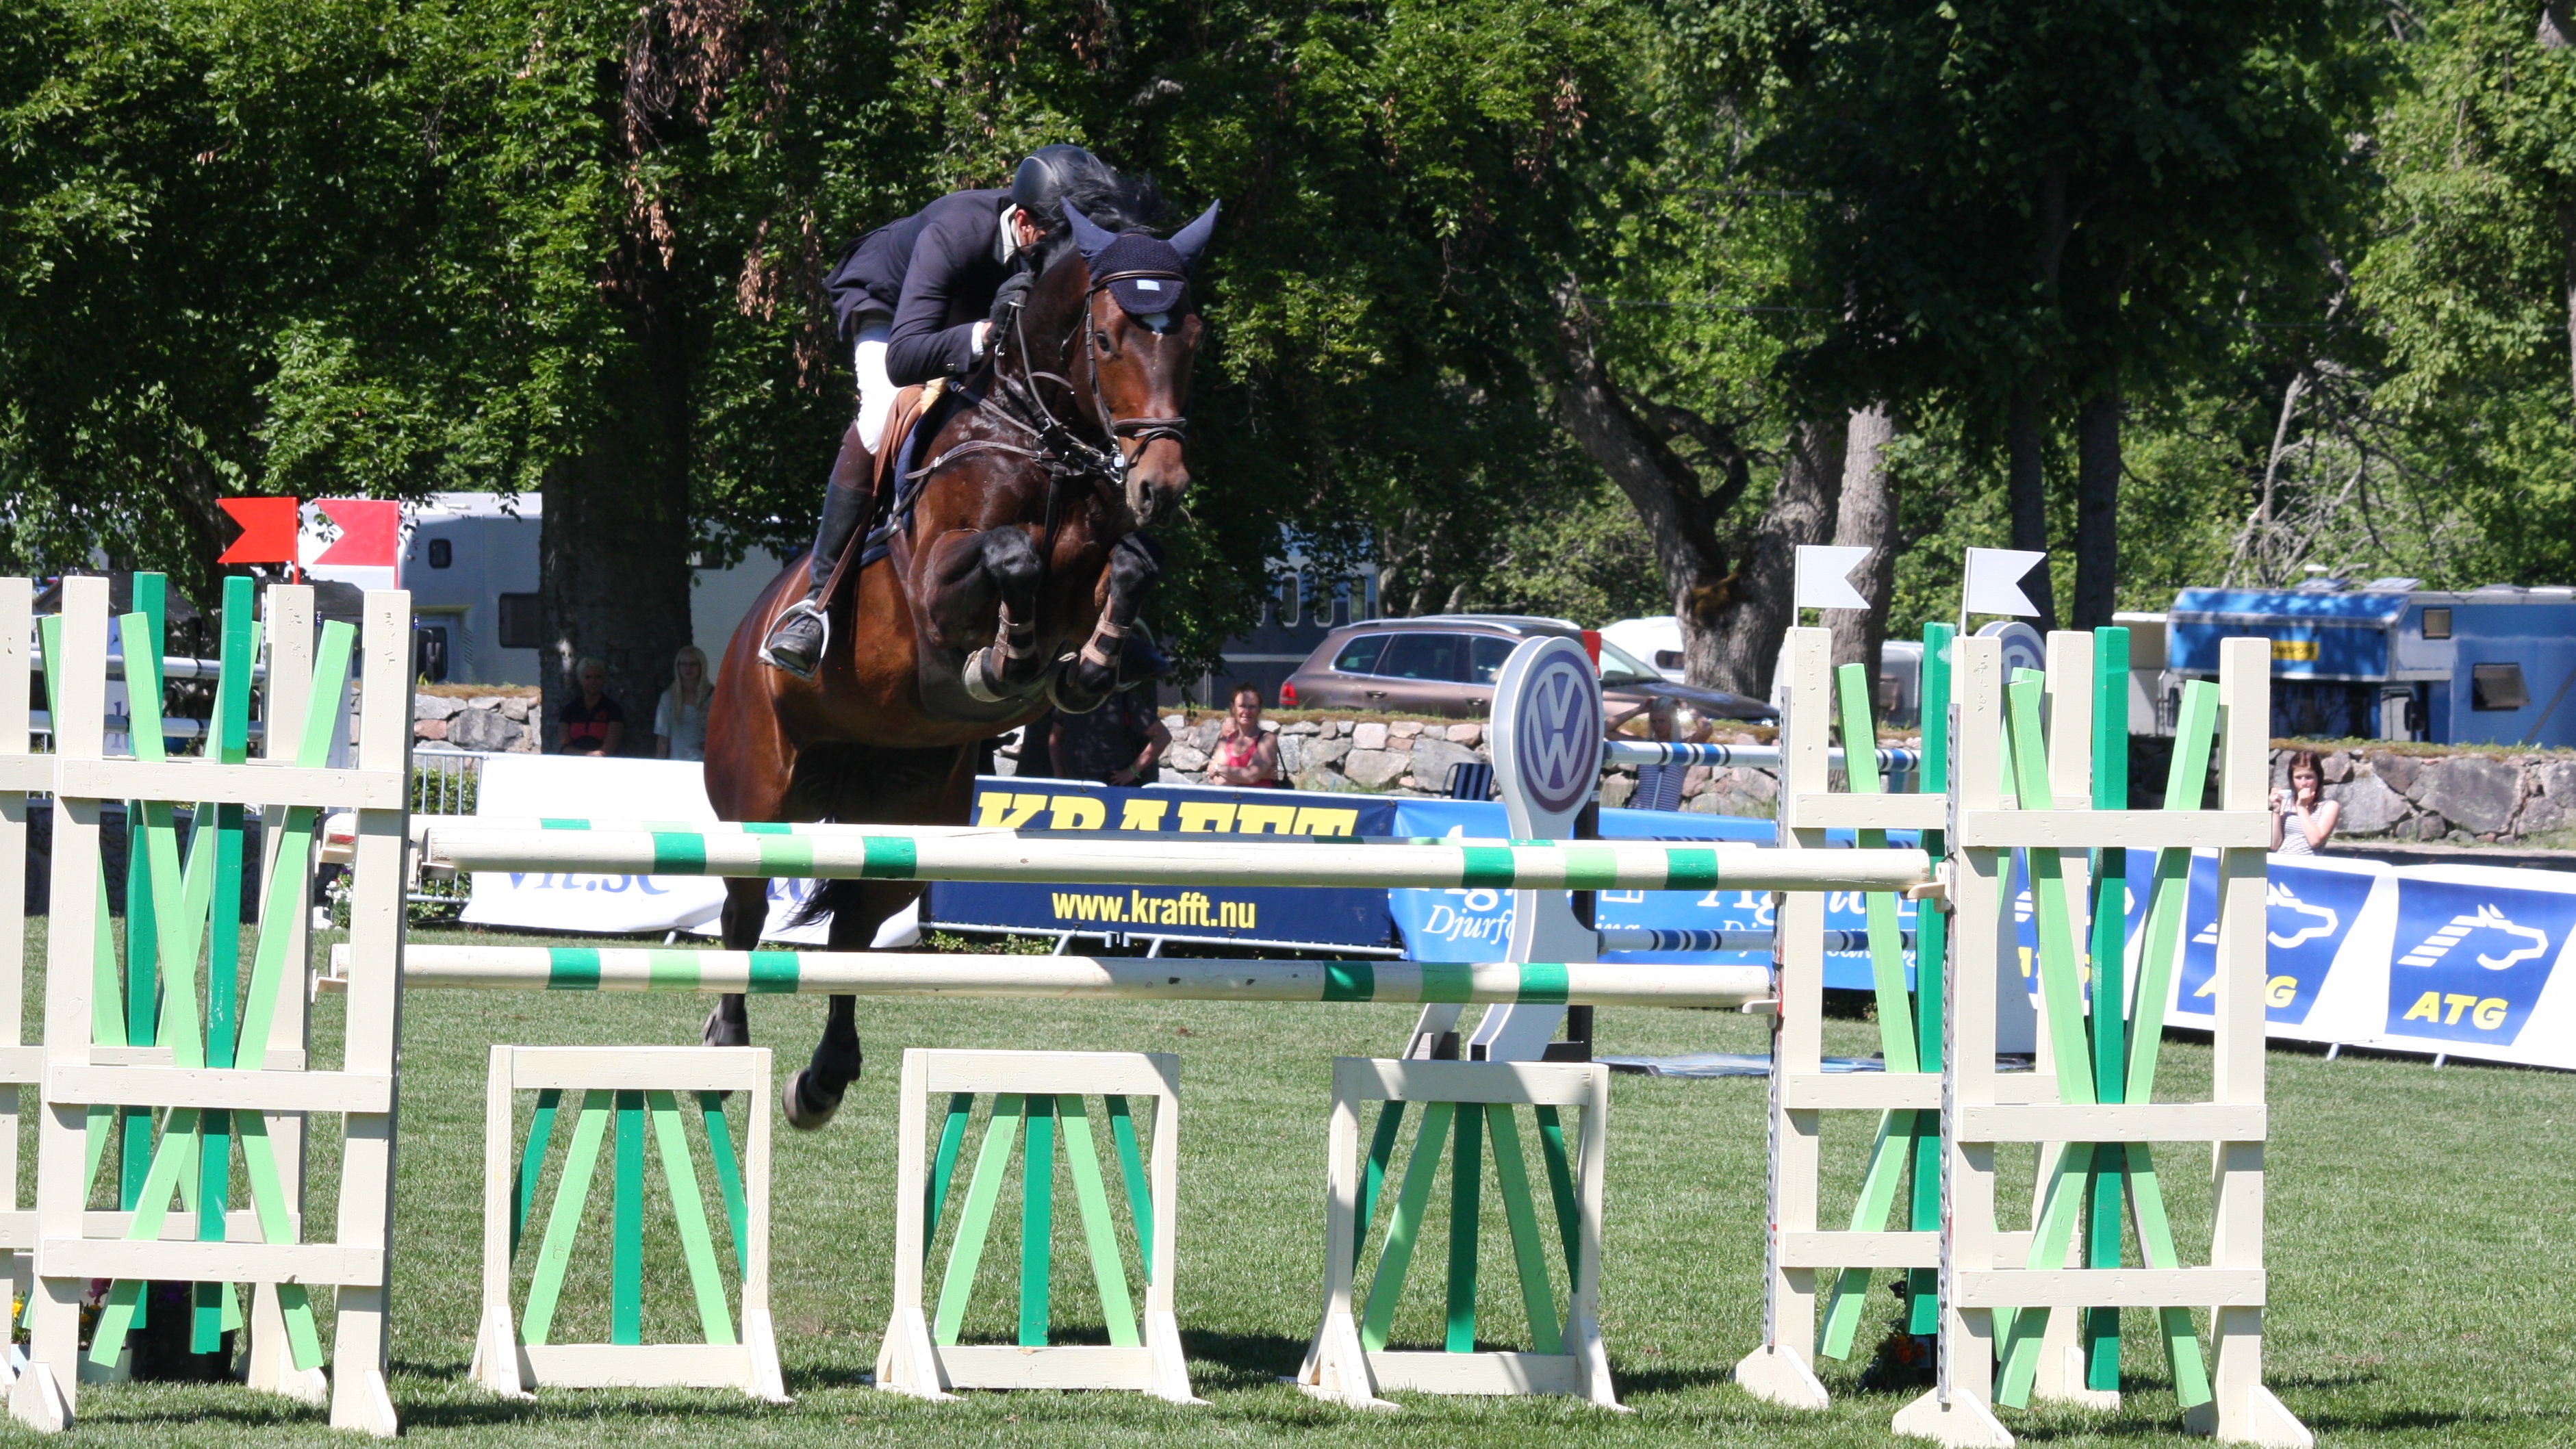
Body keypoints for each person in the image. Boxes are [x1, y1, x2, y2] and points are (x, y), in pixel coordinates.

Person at [762, 144, 1169, 678]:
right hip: (893, 310)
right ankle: (816, 604)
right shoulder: (956, 232)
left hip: (986, 309)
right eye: (1059, 241)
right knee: (880, 416)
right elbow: (906, 355)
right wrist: (982, 333)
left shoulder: (1046, 243)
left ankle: (1101, 603)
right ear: (1023, 222)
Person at [1047, 691, 1170, 786]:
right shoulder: (1071, 700)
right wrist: (1060, 776)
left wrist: (1132, 771)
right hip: (1074, 788)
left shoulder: (1124, 700)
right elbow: (1055, 739)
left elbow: (1163, 736)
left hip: (1115, 789)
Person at [1208, 684, 1281, 787]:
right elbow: (1219, 782)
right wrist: (1261, 775)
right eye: (1242, 706)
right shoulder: (1224, 742)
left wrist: (1217, 768)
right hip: (1230, 802)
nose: (1246, 712)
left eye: (1252, 707)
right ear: (1233, 708)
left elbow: (1251, 776)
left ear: (1259, 709)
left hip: (1260, 802)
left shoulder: (1268, 740)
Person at [2271, 749, 2340, 856]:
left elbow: (2315, 841)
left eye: (2309, 777)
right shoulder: (2286, 802)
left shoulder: (2329, 806)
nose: (2303, 783)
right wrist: (2276, 810)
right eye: (2298, 778)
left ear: (2318, 778)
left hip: (2308, 865)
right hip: (2282, 862)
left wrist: (2302, 808)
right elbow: (2274, 844)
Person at [556, 657, 625, 757]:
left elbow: (608, 750)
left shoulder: (613, 709)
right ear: (580, 680)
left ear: (604, 679)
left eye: (598, 677)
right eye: (588, 677)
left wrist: (589, 756)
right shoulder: (569, 710)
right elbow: (564, 746)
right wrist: (585, 756)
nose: (593, 681)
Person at [654, 645, 714, 761]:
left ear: (701, 666)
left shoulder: (713, 696)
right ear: (678, 667)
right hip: (677, 763)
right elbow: (662, 739)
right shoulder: (669, 698)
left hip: (707, 764)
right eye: (684, 664)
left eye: (693, 664)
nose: (688, 668)